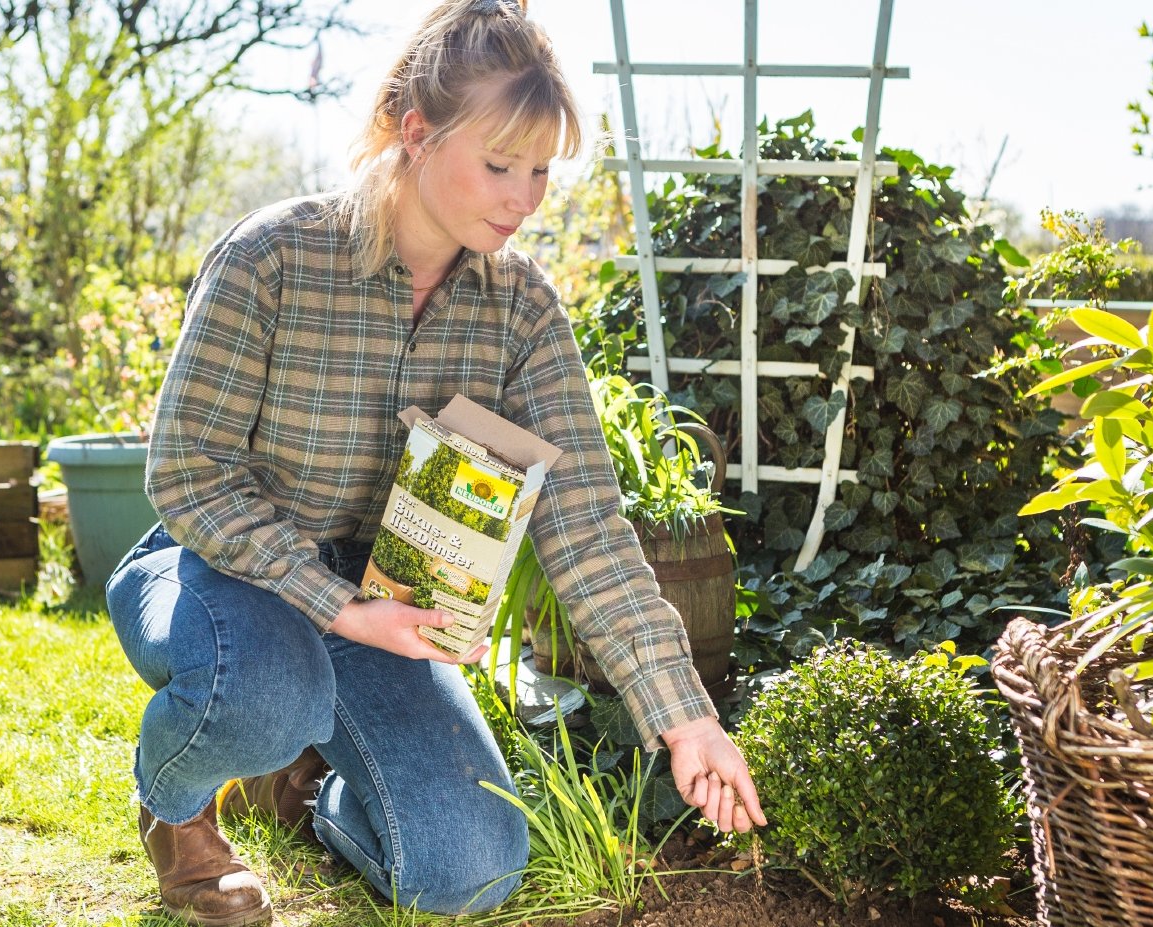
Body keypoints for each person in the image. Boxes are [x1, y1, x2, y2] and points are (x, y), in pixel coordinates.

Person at [105, 0, 766, 923]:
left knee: (469, 874)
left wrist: (685, 716)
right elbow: (187, 473)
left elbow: (584, 523)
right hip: (224, 566)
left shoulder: (523, 311)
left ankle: (303, 787)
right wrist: (341, 608)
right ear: (415, 133)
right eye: (498, 164)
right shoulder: (275, 257)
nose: (524, 197)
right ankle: (177, 808)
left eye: (539, 170)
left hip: (392, 600)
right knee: (268, 689)